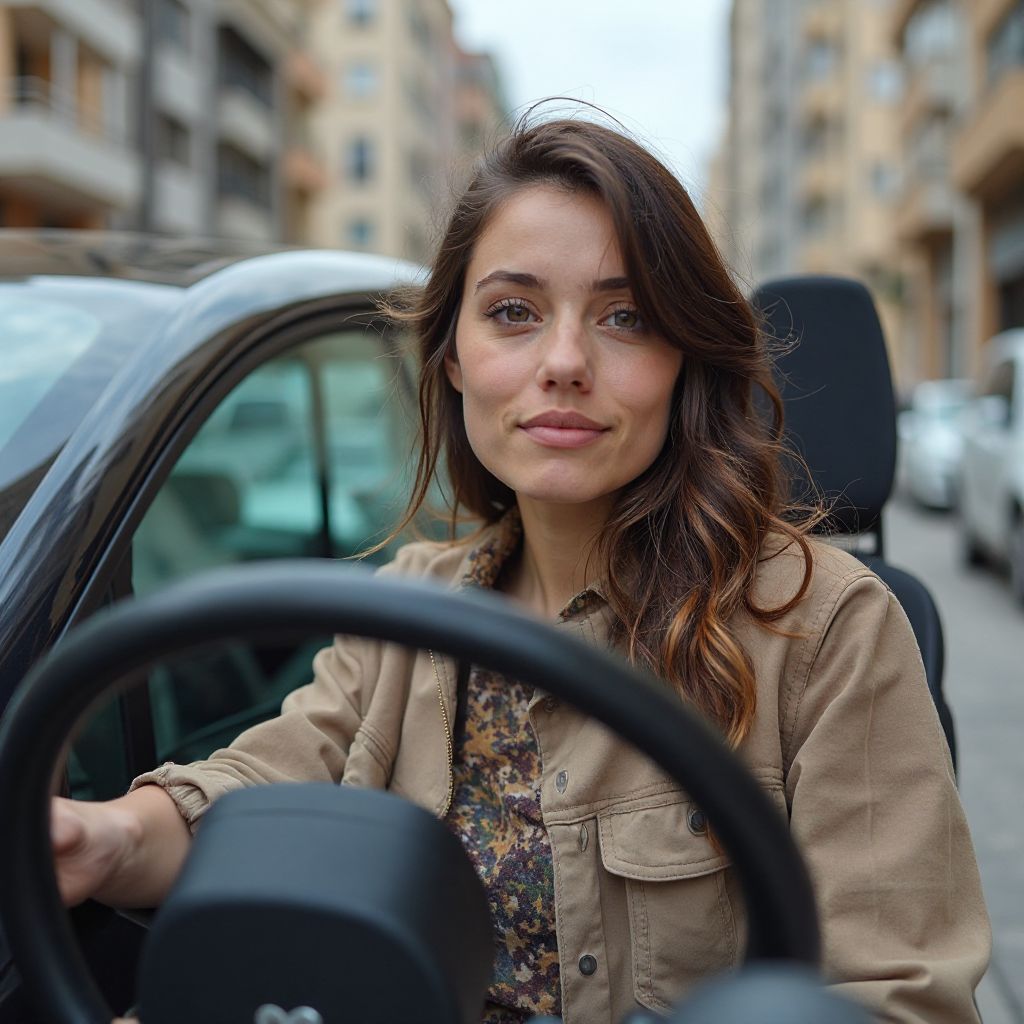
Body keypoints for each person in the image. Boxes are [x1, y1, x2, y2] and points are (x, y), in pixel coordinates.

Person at [52, 113, 990, 1024]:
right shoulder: (409, 604)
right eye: (513, 313)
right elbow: (274, 779)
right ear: (454, 356)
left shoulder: (822, 626)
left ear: (684, 358)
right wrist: (104, 838)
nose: (566, 361)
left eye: (625, 316)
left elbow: (897, 996)